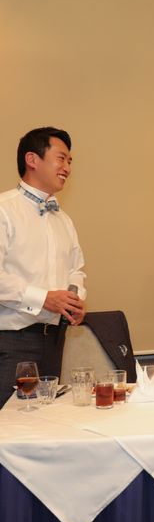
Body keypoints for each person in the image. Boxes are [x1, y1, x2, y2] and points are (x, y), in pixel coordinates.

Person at [0, 127, 86, 408]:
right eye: (61, 158)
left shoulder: (64, 220)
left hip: (54, 340)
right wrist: (44, 298)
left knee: (46, 422)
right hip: (11, 341)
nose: (67, 168)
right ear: (32, 159)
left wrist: (74, 298)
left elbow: (76, 269)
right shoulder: (4, 209)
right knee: (9, 424)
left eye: (70, 161)